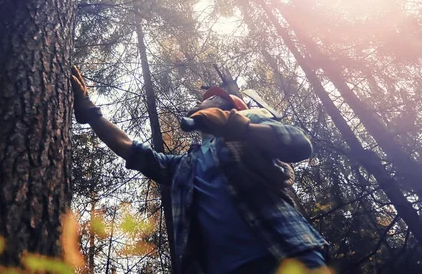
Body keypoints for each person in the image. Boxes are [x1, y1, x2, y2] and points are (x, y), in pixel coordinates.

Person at [71, 66, 329, 274]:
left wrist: (240, 127)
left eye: (213, 98)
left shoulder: (250, 125)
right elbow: (134, 151)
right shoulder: (185, 165)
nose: (202, 100)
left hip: (286, 254)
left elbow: (299, 145)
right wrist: (92, 114)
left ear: (232, 110)